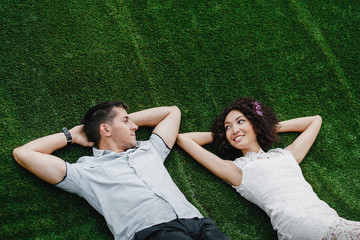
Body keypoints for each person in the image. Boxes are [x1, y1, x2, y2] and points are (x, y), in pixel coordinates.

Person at [13, 101, 230, 240]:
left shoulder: (150, 149)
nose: (135, 126)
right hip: (152, 233)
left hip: (198, 222)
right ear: (105, 129)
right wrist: (71, 136)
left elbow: (172, 112)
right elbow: (23, 153)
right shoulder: (85, 171)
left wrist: (117, 121)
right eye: (126, 121)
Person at [177, 97, 360, 240]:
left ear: (254, 123)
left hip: (328, 219)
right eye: (228, 127)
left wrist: (265, 126)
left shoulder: (286, 155)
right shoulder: (236, 170)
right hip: (301, 226)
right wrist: (221, 135)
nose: (234, 130)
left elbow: (314, 121)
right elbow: (183, 139)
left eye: (240, 121)